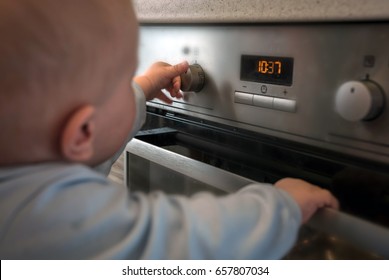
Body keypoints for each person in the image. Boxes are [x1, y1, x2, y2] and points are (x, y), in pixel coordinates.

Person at [0, 0, 339, 259]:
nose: (131, 82)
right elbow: (187, 238)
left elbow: (76, 158)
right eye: (123, 79)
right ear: (83, 132)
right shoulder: (58, 224)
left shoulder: (19, 183)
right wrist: (281, 206)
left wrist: (143, 86)